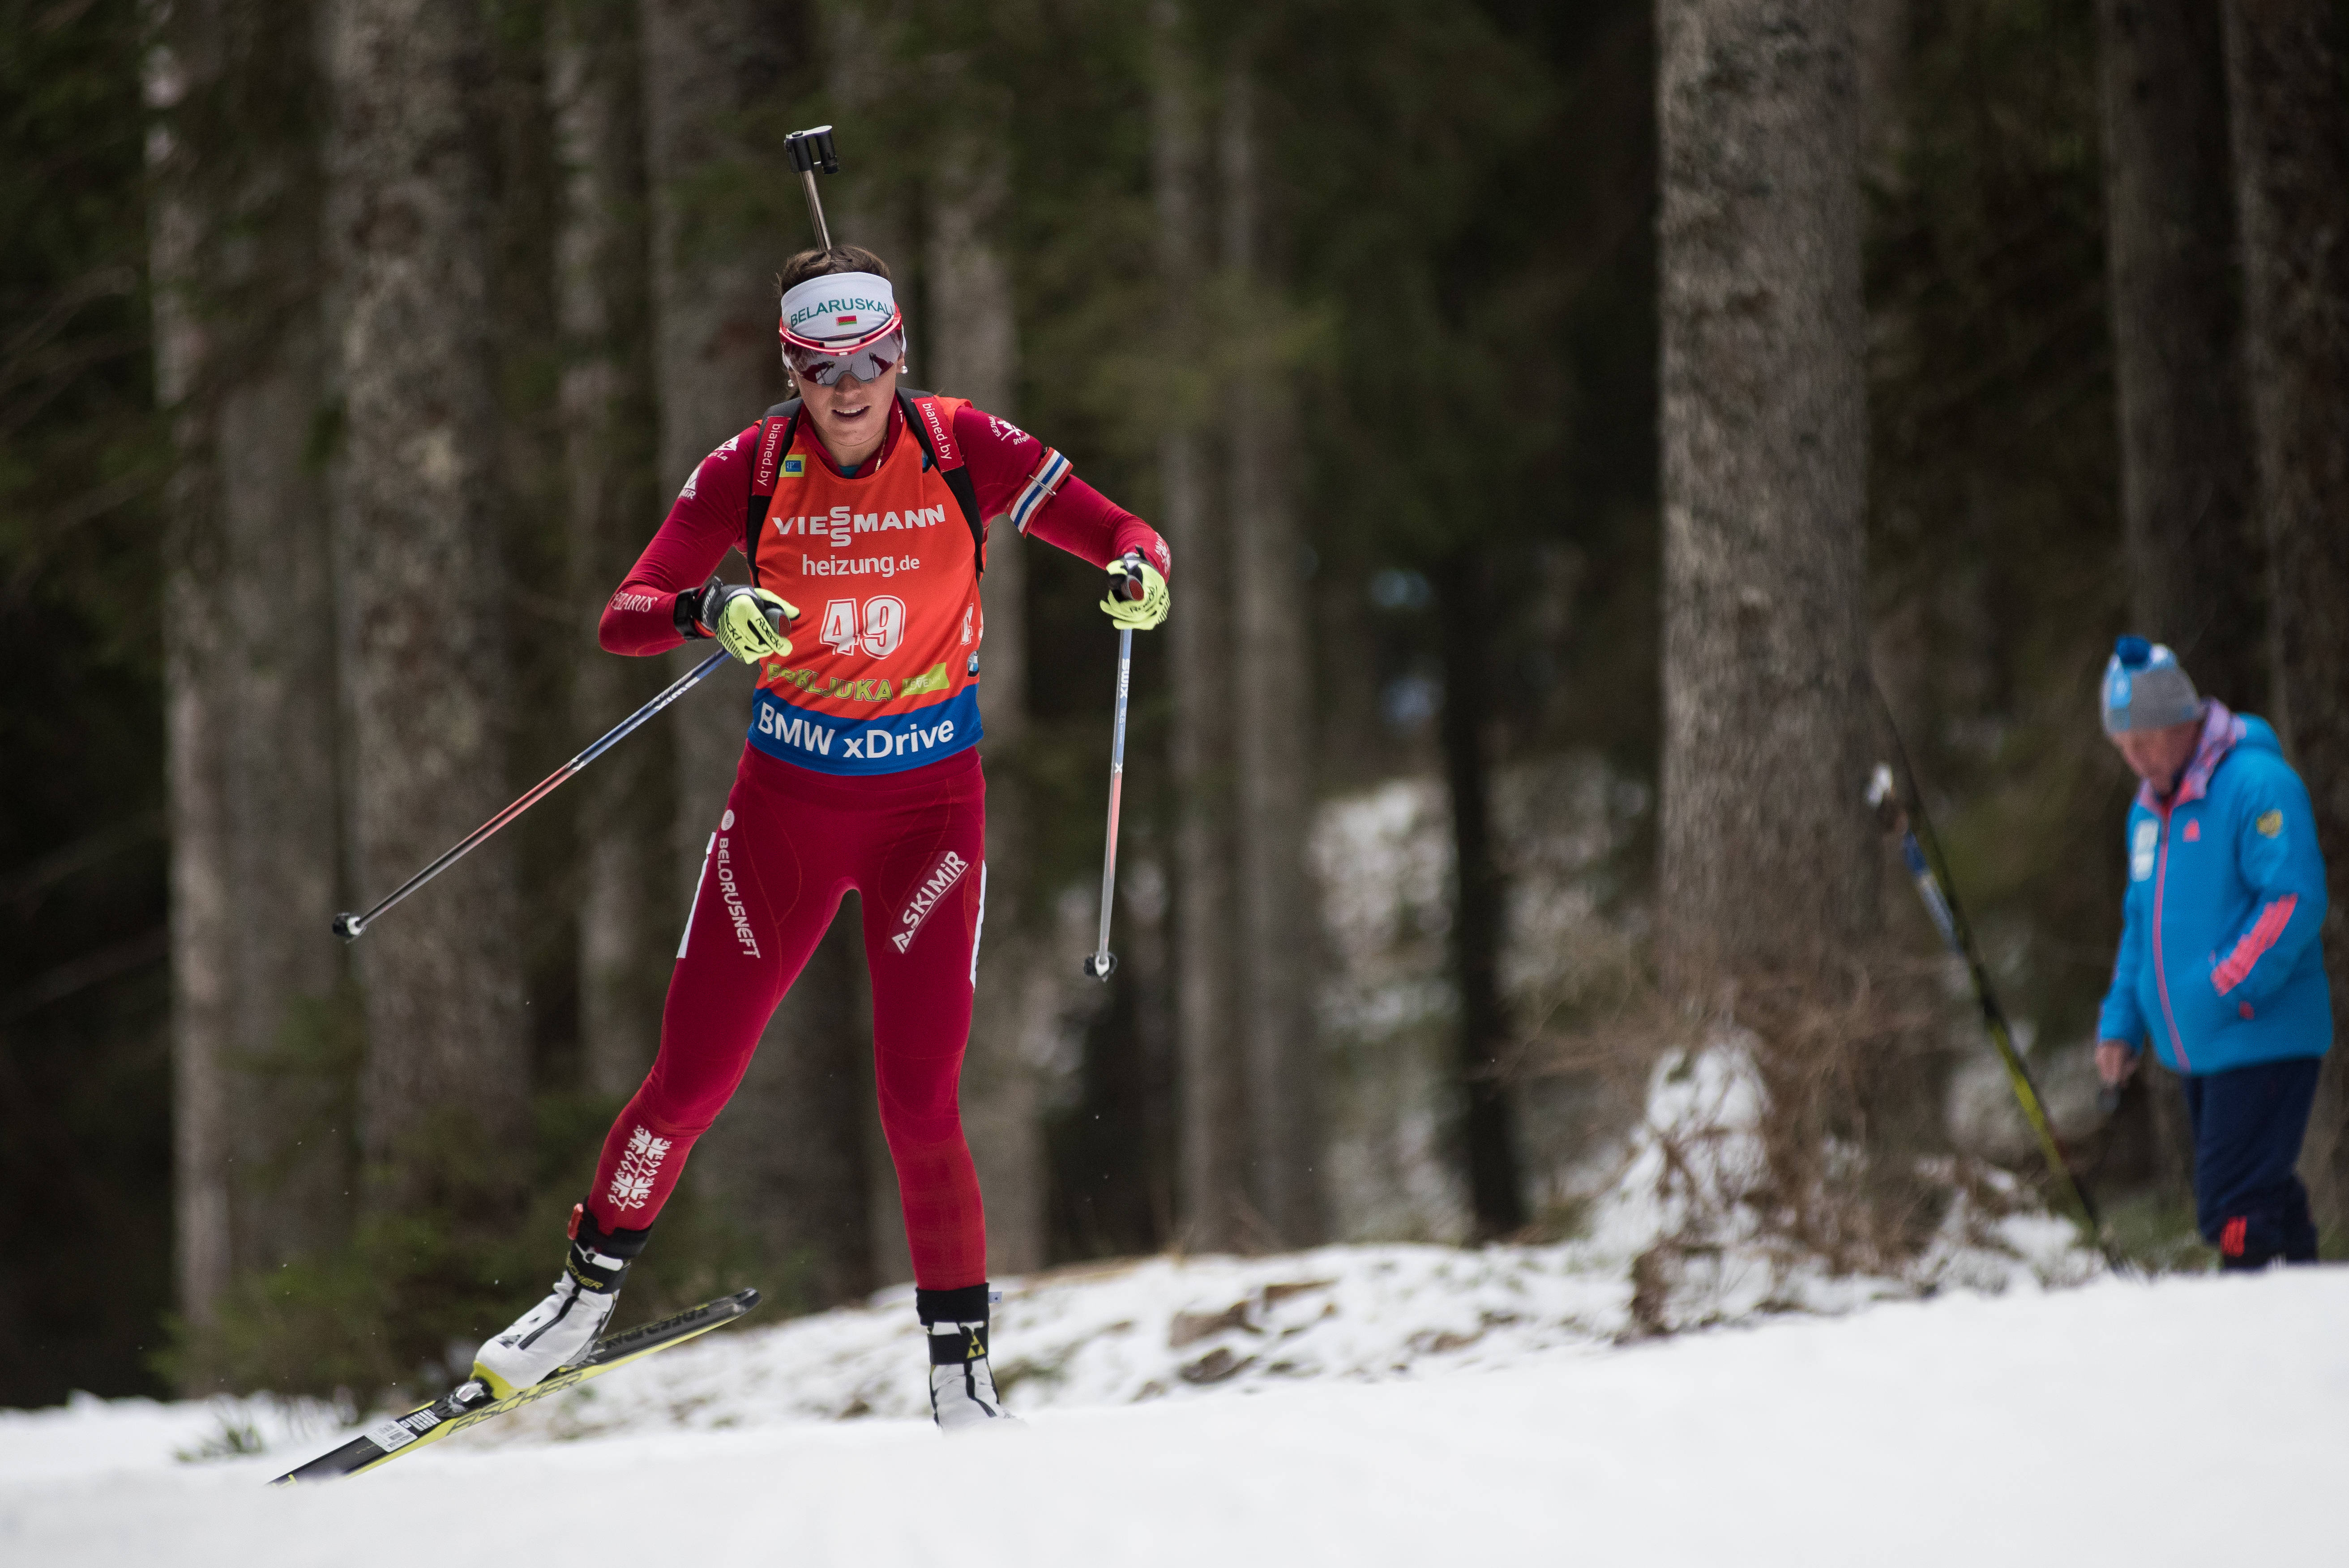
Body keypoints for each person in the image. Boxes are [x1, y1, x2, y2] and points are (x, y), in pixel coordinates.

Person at [469, 246, 1172, 1430]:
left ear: (901, 351)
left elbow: (1121, 530)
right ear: (790, 366)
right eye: (821, 364)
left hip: (929, 814)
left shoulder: (964, 448)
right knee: (690, 1078)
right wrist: (710, 607)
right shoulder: (749, 469)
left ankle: (960, 1371)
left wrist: (1140, 569)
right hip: (787, 812)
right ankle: (581, 1300)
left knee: (921, 1101)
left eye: (872, 358)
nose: (850, 387)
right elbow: (625, 615)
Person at [2093, 635, 2330, 1269]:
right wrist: (2123, 1021)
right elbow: (2140, 926)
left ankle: (2245, 1309)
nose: (2135, 759)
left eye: (2143, 741)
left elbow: (2292, 899)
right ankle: (2302, 1292)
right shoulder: (2148, 815)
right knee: (2256, 1195)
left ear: (2182, 722)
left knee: (2229, 1208)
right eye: (2124, 747)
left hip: (2262, 1036)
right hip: (2200, 1050)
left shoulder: (2257, 784)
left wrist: (2226, 985)